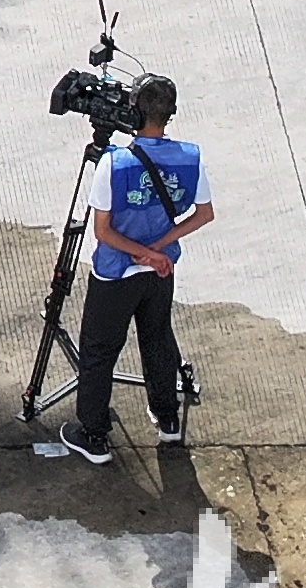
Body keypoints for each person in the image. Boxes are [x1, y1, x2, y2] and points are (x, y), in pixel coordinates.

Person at [37, 81, 208, 463]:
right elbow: (204, 214)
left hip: (116, 276)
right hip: (160, 272)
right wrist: (158, 251)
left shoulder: (113, 163)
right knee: (158, 341)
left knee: (99, 352)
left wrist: (143, 254)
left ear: (133, 112)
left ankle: (94, 435)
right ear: (172, 112)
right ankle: (167, 420)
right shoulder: (190, 157)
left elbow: (103, 231)